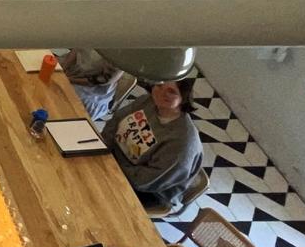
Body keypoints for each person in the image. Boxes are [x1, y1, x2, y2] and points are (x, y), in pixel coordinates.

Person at [101, 79, 203, 210]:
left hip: (148, 191)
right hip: (116, 161)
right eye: (159, 86)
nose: (161, 93)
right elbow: (115, 122)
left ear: (183, 98)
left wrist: (111, 165)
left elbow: (144, 180)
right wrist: (104, 149)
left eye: (171, 92)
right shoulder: (147, 101)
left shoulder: (182, 142)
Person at [61, 49, 123, 120]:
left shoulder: (119, 59)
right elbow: (77, 49)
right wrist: (62, 68)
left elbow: (98, 80)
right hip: (73, 71)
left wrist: (67, 79)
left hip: (90, 92)